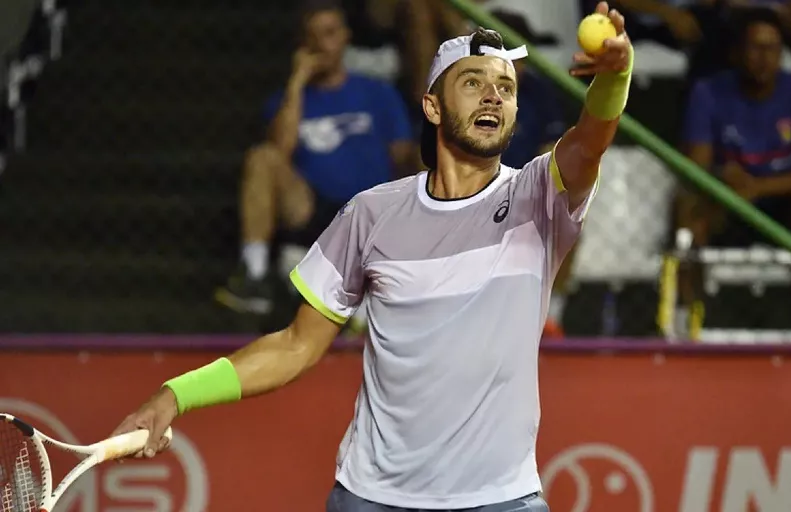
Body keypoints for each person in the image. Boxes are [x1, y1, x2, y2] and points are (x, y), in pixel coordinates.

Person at [111, 2, 633, 510]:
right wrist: (176, 394)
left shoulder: (537, 198)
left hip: (501, 499)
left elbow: (589, 143)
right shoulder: (371, 214)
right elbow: (296, 345)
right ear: (432, 106)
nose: (493, 97)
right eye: (472, 82)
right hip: (372, 498)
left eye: (506, 88)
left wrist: (614, 75)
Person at [215, 0, 415, 315]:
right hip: (313, 211)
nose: (323, 44)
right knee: (261, 157)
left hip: (370, 211)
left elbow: (404, 156)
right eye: (314, 36)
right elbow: (279, 154)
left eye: (330, 33)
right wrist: (297, 82)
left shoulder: (377, 93)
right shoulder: (286, 100)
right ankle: (254, 275)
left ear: (346, 36)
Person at [676, 7, 791, 330]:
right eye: (755, 47)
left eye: (773, 48)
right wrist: (721, 176)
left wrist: (759, 187)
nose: (764, 57)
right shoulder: (708, 92)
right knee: (687, 209)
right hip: (728, 200)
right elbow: (696, 168)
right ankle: (688, 320)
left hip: (784, 201)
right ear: (736, 53)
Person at [490, 9, 571, 338]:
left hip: (522, 190)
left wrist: (523, 191)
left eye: (518, 55)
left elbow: (552, 152)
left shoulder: (539, 92)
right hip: (470, 189)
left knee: (566, 208)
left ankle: (550, 314)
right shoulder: (463, 92)